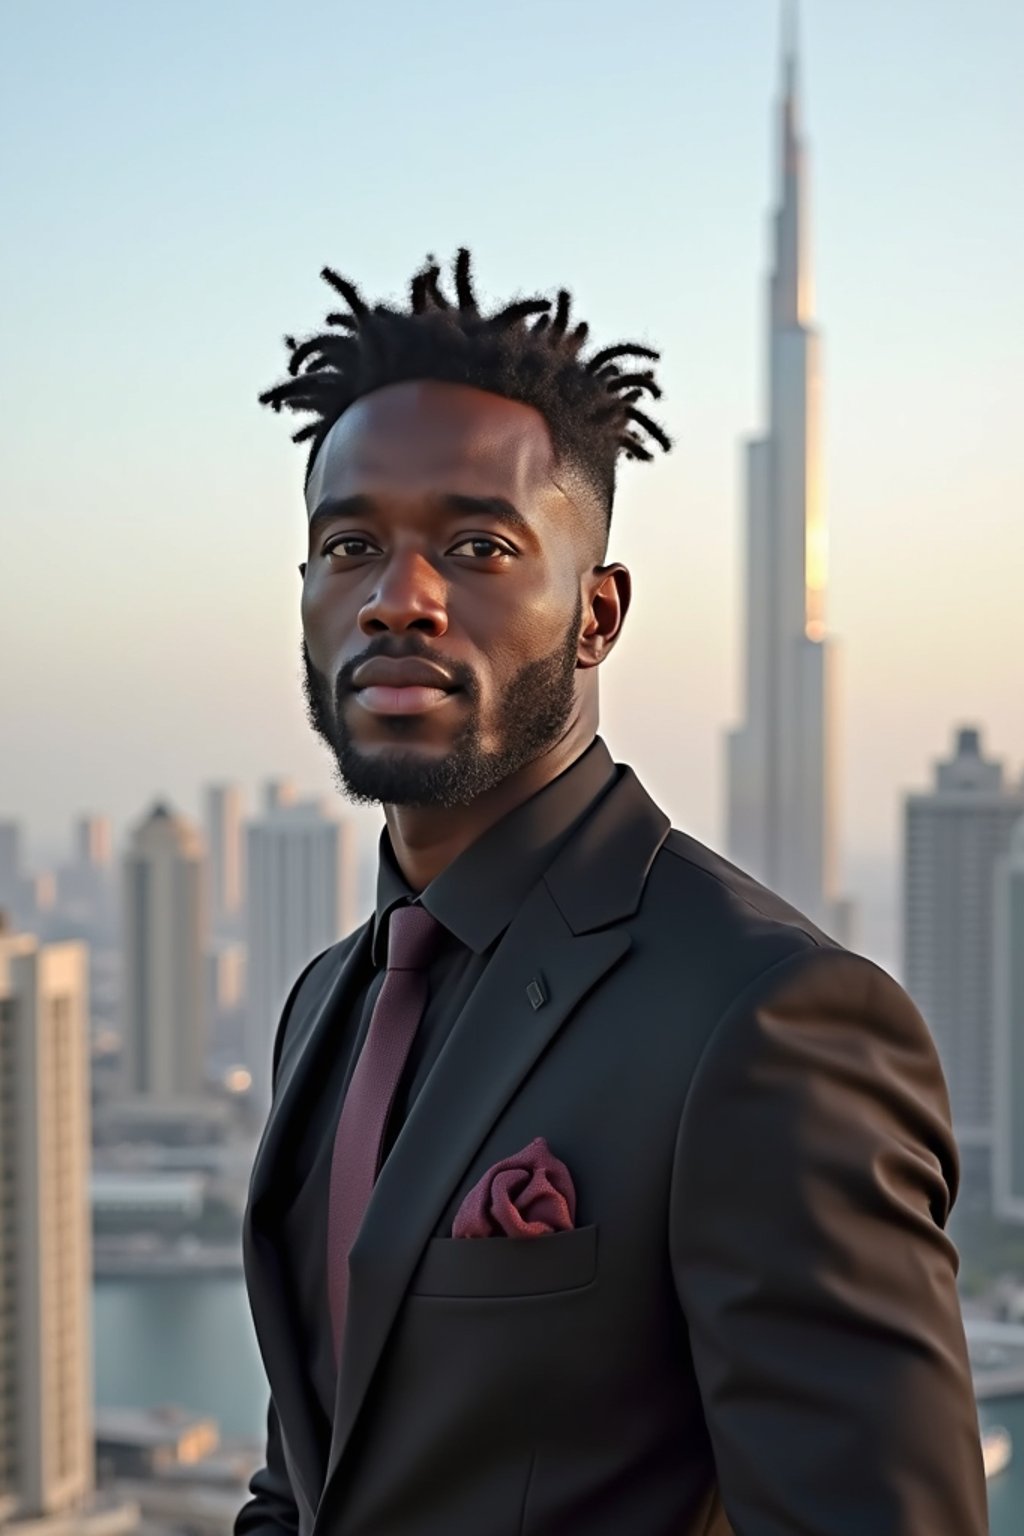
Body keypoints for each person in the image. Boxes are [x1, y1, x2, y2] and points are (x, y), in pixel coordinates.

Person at [236, 248, 986, 1535]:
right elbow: (303, 1484)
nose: (397, 600)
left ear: (597, 613)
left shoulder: (771, 1017)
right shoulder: (327, 1003)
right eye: (350, 545)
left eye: (476, 545)